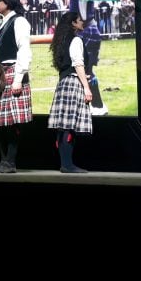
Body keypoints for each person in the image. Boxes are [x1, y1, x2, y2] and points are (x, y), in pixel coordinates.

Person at [0, 0, 32, 173]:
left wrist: (18, 79)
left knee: (12, 122)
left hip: (12, 73)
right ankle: (3, 161)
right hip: (0, 75)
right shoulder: (2, 22)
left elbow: (24, 51)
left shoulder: (19, 21)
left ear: (8, 3)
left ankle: (10, 162)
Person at [59, 0, 108, 115]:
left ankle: (98, 106)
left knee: (86, 70)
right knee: (80, 68)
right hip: (83, 30)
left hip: (88, 31)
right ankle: (92, 105)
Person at [48, 11, 93, 173]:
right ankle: (67, 165)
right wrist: (87, 87)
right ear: (73, 23)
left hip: (63, 83)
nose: (82, 23)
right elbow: (77, 64)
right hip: (73, 83)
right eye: (80, 20)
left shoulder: (62, 40)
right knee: (69, 127)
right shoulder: (75, 40)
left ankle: (65, 163)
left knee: (63, 127)